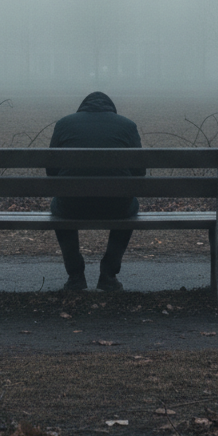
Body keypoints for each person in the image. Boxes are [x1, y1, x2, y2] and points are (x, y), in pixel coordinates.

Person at [46, 91, 145, 291]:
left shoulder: (64, 124)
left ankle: (75, 275)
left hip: (71, 206)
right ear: (111, 109)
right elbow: (139, 172)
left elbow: (51, 171)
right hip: (117, 206)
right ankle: (108, 274)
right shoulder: (127, 126)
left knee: (59, 206)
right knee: (130, 204)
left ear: (82, 107)